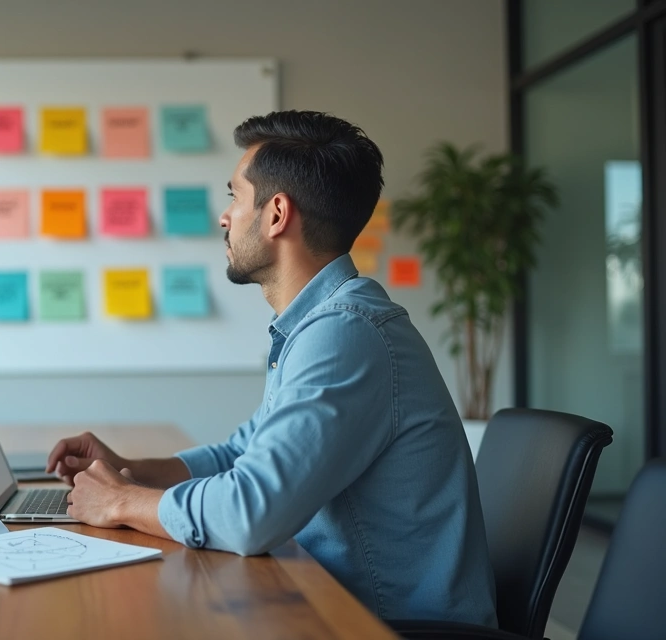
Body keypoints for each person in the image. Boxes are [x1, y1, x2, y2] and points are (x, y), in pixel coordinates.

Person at [47, 110, 497, 625]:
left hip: (385, 625)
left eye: (235, 196)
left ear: (277, 213)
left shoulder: (345, 334)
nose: (224, 216)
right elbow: (244, 452)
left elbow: (250, 513)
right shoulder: (317, 327)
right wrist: (132, 469)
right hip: (339, 606)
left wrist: (125, 503)